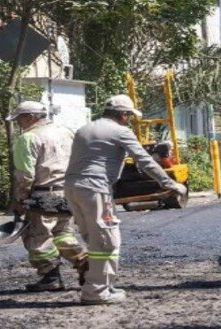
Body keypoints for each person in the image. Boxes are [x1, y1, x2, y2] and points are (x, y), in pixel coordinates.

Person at [64, 95, 186, 305]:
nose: (129, 120)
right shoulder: (120, 131)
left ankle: (102, 284)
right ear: (123, 114)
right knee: (106, 240)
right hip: (96, 188)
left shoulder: (84, 129)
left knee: (93, 238)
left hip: (73, 188)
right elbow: (145, 161)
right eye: (129, 116)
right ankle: (97, 291)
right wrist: (171, 184)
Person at [7, 101, 88, 292]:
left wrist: (20, 199)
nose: (19, 123)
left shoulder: (28, 138)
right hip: (68, 191)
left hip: (44, 194)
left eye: (20, 119)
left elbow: (25, 174)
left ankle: (49, 275)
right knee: (63, 232)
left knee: (38, 236)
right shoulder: (65, 131)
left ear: (31, 117)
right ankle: (84, 261)